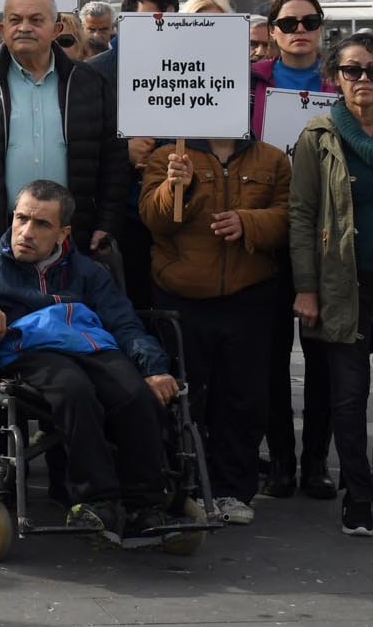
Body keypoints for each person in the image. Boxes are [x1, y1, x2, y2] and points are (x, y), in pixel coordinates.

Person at [0, 180, 177, 536]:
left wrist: (153, 369)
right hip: (29, 351)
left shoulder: (89, 272)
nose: (26, 232)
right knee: (74, 390)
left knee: (136, 394)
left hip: (94, 346)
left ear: (63, 233)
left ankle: (145, 504)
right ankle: (97, 501)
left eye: (41, 224)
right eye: (21, 219)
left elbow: (125, 324)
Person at [289, 32, 373, 536]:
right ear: (335, 77)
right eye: (352, 70)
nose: (364, 80)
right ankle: (356, 494)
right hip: (344, 284)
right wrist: (306, 287)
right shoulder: (318, 136)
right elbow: (300, 215)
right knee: (347, 395)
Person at [141, 130, 289, 526]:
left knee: (243, 398)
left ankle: (232, 490)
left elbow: (291, 216)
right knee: (188, 397)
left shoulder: (273, 158)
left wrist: (249, 223)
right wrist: (177, 188)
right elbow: (152, 219)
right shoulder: (168, 156)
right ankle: (183, 487)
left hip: (249, 296)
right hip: (183, 296)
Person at [0, 0, 124, 260]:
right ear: (2, 27)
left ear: (57, 28)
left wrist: (107, 224)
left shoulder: (90, 83)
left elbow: (113, 161)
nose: (24, 28)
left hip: (73, 243)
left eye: (36, 20)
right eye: (15, 20)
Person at [253, 0, 339, 502]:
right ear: (274, 31)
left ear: (322, 28)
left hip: (326, 240)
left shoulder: (344, 83)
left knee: (323, 359)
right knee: (269, 359)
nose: (300, 30)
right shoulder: (245, 84)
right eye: (289, 23)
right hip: (266, 235)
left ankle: (315, 466)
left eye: (310, 21)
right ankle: (281, 463)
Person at [85, 0, 180, 311]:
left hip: (173, 211)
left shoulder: (189, 69)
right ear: (125, 23)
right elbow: (77, 141)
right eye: (149, 22)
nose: (159, 30)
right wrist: (121, 151)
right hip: (117, 214)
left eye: (166, 22)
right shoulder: (92, 75)